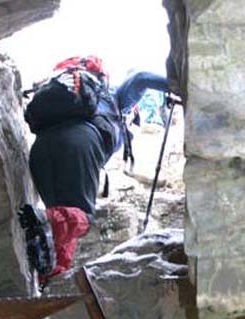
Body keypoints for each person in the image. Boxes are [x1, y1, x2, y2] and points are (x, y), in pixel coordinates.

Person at [23, 62, 171, 284]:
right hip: (80, 144)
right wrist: (181, 88)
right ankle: (46, 219)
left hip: (40, 150)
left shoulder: (70, 100)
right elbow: (141, 77)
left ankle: (51, 274)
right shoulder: (114, 95)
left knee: (65, 214)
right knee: (80, 217)